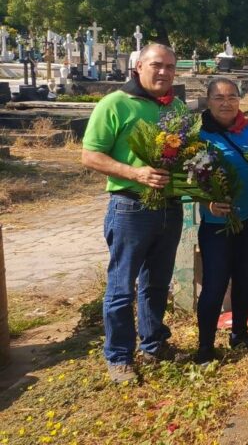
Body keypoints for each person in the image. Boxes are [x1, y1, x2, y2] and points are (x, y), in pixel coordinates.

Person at [81, 43, 186, 384]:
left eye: (170, 67)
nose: (164, 72)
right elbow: (90, 155)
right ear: (139, 66)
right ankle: (119, 356)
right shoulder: (115, 104)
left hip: (169, 206)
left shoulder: (176, 107)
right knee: (122, 286)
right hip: (130, 207)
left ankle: (154, 345)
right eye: (157, 65)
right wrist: (136, 173)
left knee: (157, 283)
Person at [194, 78, 248, 364]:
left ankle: (240, 333)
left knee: (245, 276)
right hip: (218, 221)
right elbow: (189, 179)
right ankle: (205, 346)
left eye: (232, 97)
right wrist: (207, 202)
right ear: (208, 101)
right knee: (215, 282)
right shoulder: (198, 136)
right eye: (219, 98)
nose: (226, 103)